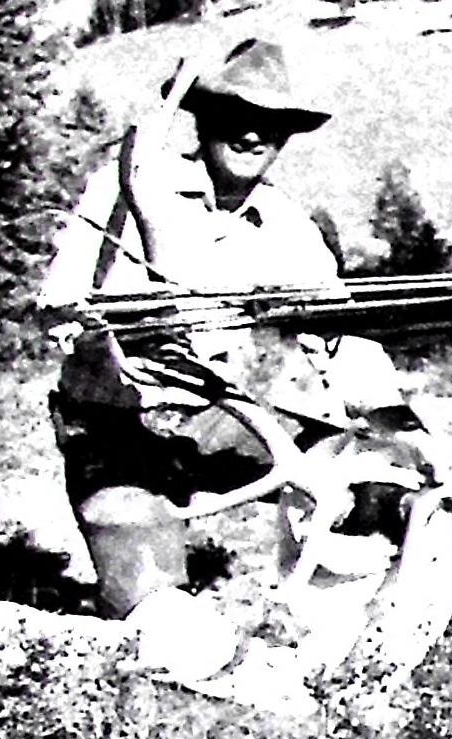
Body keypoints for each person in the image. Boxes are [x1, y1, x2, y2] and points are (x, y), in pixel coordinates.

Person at [41, 38, 408, 646]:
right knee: (160, 626)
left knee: (379, 478)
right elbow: (58, 305)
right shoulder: (126, 189)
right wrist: (109, 337)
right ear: (203, 120)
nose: (252, 134)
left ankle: (344, 630)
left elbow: (340, 340)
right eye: (236, 116)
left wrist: (398, 426)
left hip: (227, 423)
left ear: (286, 136)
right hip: (117, 430)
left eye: (271, 123)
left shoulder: (290, 230)